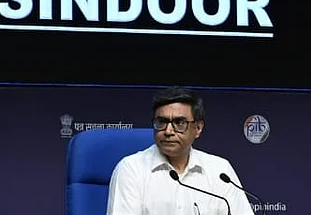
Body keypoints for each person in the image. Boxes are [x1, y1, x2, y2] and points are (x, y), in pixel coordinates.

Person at [106, 86, 255, 215]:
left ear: (198, 128)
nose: (168, 131)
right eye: (161, 122)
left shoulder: (220, 171)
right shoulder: (132, 169)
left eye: (179, 122)